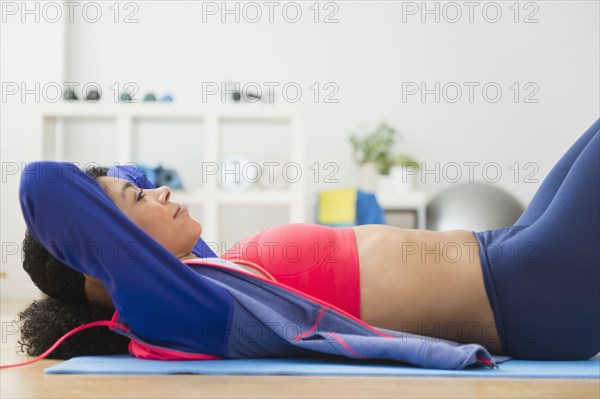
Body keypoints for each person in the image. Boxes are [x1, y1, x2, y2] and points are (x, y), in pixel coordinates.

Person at [16, 118, 599, 364]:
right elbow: (45, 183)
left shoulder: (213, 274)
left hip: (509, 248)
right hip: (531, 291)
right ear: (104, 258)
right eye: (138, 200)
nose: (159, 191)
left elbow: (122, 191)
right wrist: (107, 209)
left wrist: (123, 188)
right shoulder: (187, 311)